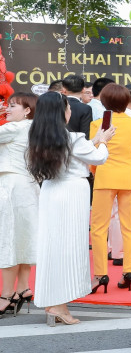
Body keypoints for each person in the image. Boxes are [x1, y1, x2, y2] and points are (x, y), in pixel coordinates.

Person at [28, 91, 113, 325]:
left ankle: (52, 301)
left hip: (50, 192)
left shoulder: (39, 138)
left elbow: (75, 153)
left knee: (52, 246)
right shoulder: (73, 138)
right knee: (69, 248)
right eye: (68, 108)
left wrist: (95, 140)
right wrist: (103, 140)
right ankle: (59, 306)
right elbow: (98, 158)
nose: (71, 111)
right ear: (62, 112)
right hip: (72, 194)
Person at [88, 84, 131, 292]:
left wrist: (96, 171)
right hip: (129, 179)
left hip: (105, 178)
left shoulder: (97, 124)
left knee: (98, 229)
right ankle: (127, 271)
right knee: (129, 227)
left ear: (104, 102)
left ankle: (100, 275)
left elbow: (94, 155)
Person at [0, 93, 40, 315]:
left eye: (12, 106)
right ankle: (23, 288)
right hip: (29, 186)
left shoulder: (14, 128)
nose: (7, 109)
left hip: (12, 186)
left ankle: (6, 294)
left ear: (27, 110)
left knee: (9, 239)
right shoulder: (34, 128)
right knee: (24, 238)